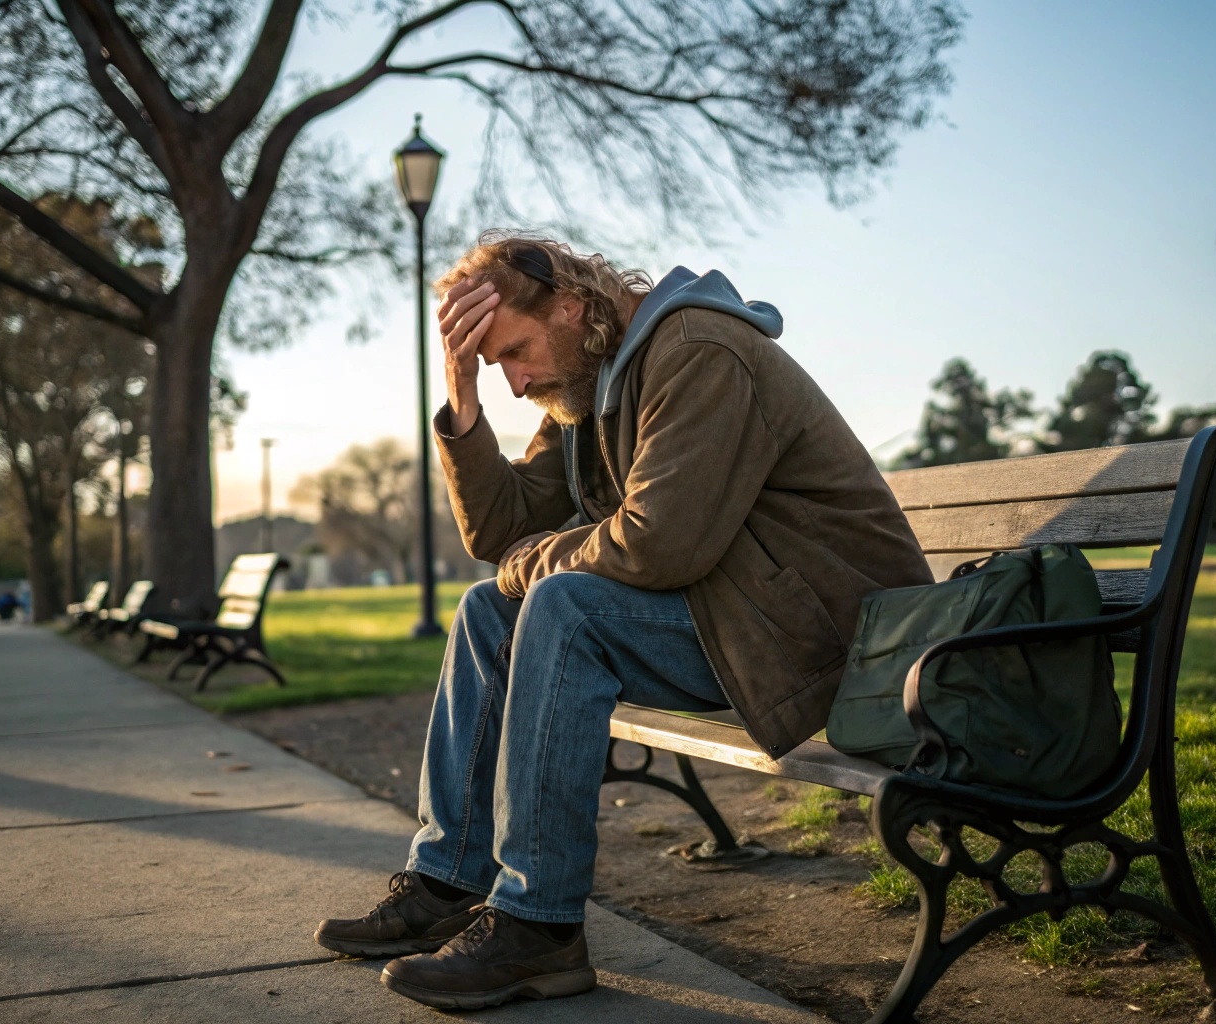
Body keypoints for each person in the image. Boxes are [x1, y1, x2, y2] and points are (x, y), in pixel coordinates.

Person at [314, 233, 933, 1010]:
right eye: (495, 365)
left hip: (827, 642)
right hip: (734, 617)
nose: (514, 383)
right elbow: (497, 533)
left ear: (571, 306)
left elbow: (658, 544)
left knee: (563, 606)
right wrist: (461, 398)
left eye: (512, 353)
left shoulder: (699, 350)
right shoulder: (585, 377)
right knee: (486, 610)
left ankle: (538, 927)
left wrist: (534, 564)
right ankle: (446, 879)